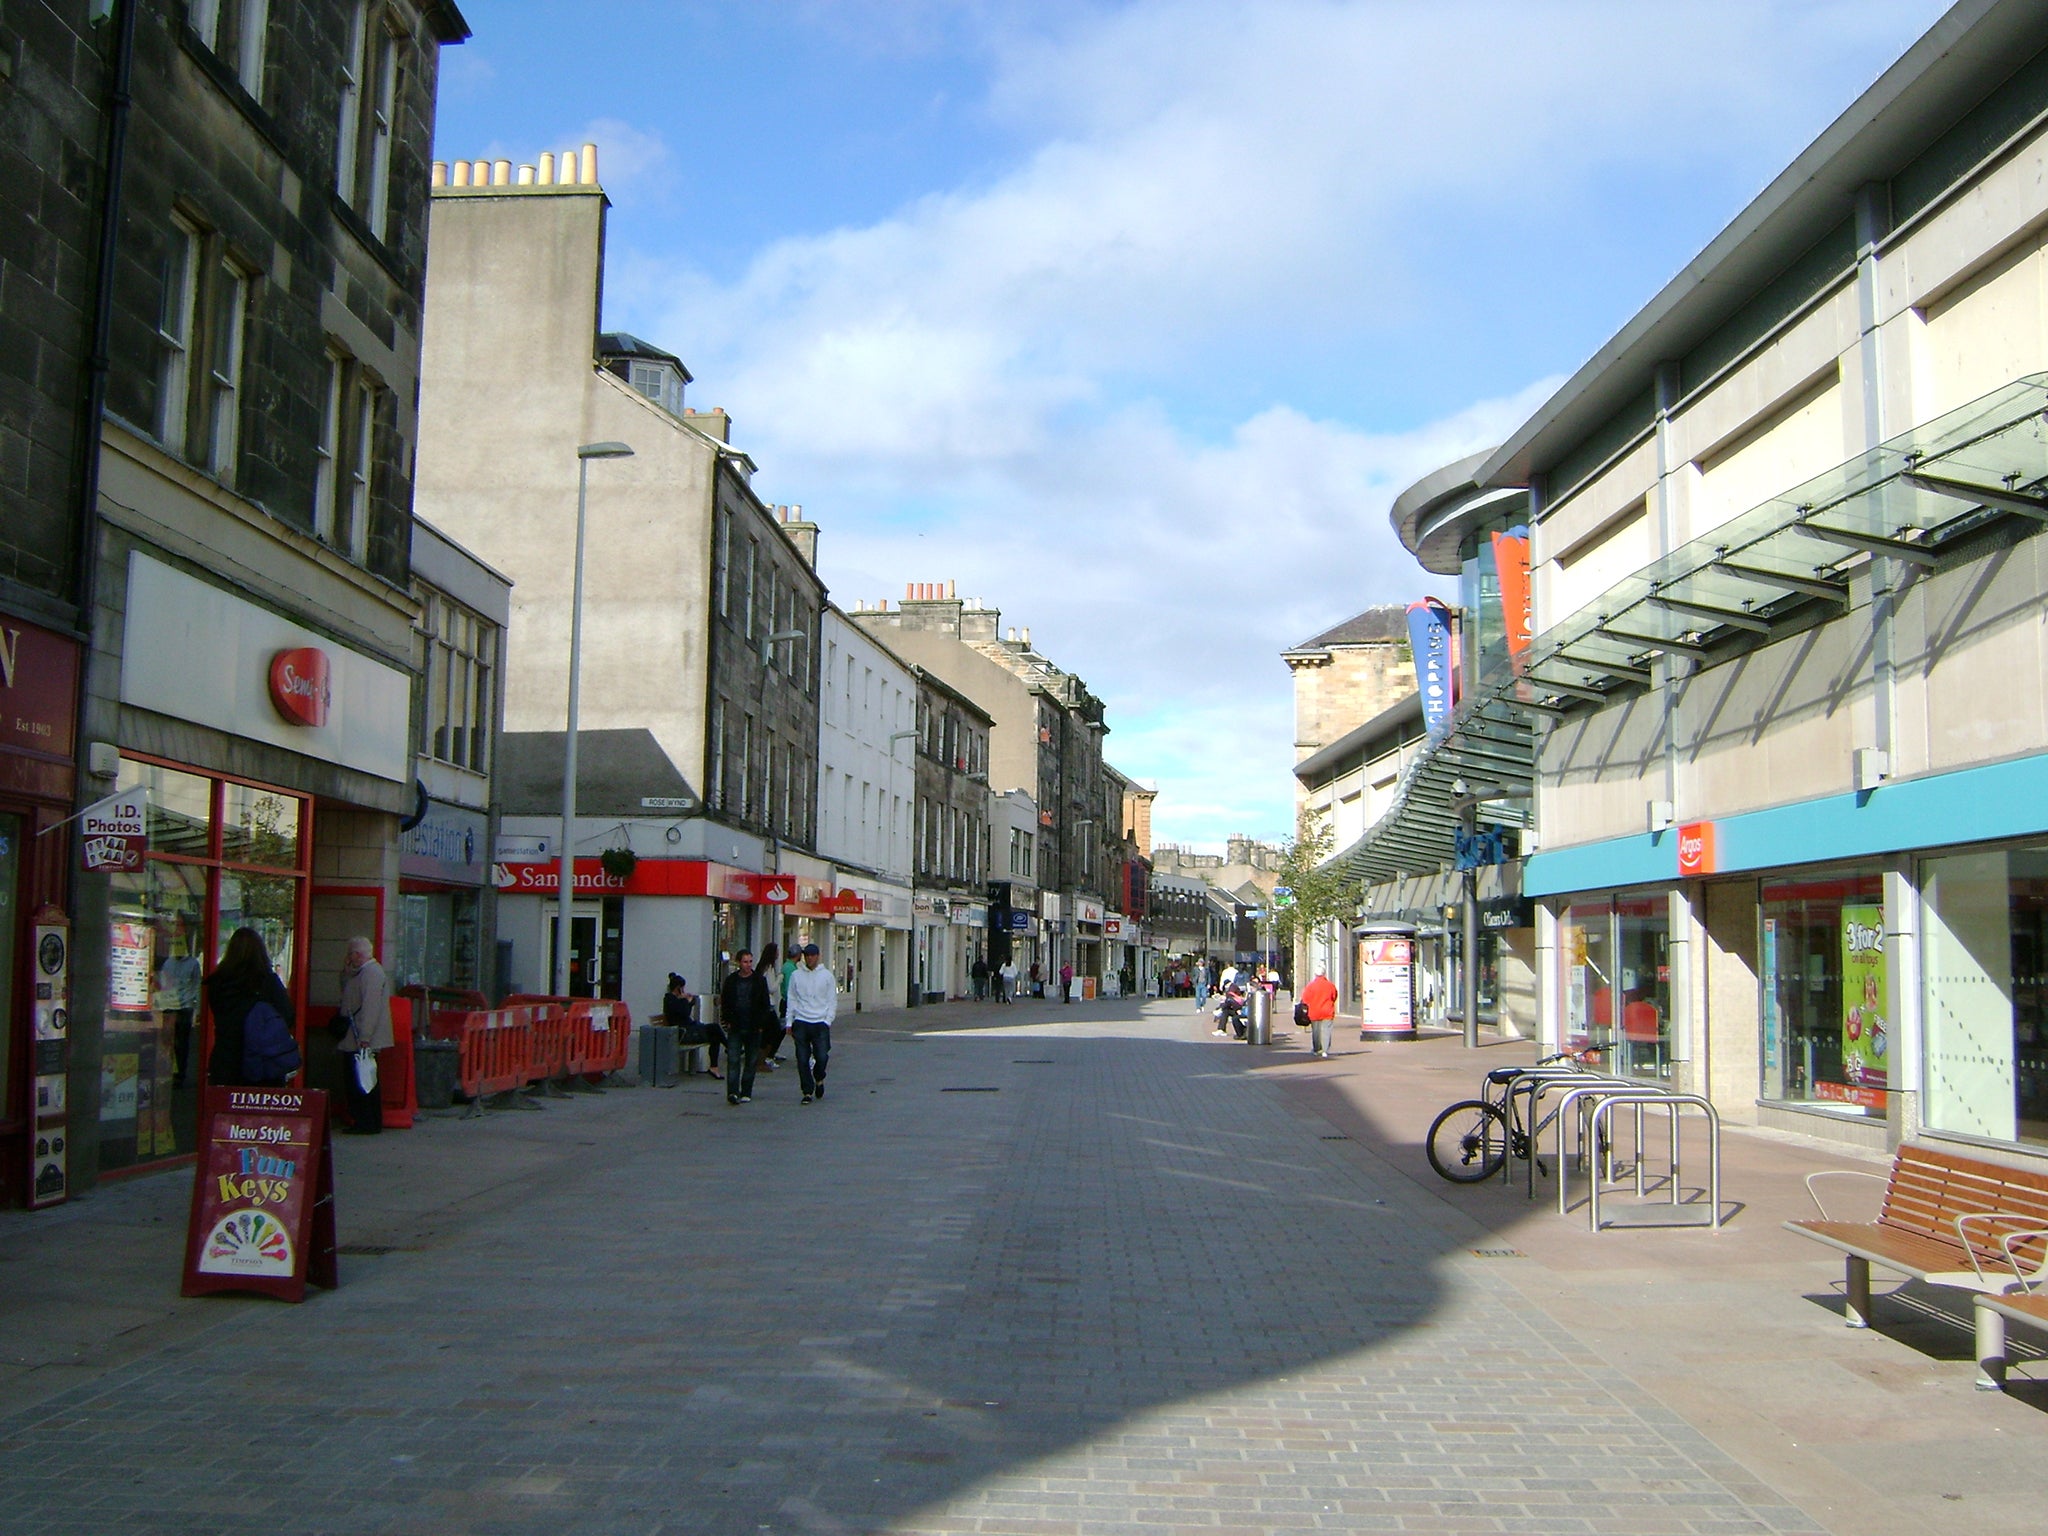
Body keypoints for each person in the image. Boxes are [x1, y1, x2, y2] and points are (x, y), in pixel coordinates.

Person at [203, 927, 296, 1088]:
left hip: (226, 1062)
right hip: (263, 1064)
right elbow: (288, 1016)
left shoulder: (217, 983)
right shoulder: (267, 982)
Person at [335, 937, 393, 1134]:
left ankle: (365, 1121)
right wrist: (347, 971)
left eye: (350, 953)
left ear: (357, 955)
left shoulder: (371, 973)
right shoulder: (361, 973)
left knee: (361, 1081)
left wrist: (365, 1036)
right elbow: (346, 987)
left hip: (361, 1036)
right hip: (357, 1034)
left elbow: (370, 1007)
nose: (348, 957)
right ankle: (366, 1120)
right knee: (363, 1079)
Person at [717, 949, 775, 1105]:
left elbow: (765, 1005)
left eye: (750, 961)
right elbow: (726, 1002)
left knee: (751, 1061)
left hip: (754, 1027)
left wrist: (761, 1025)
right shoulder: (731, 981)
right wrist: (727, 1020)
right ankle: (733, 1092)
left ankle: (746, 1091)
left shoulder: (759, 980)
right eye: (745, 962)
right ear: (738, 962)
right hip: (735, 1026)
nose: (748, 965)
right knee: (734, 1059)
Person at [786, 942, 836, 1104]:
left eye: (812, 955)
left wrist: (827, 1020)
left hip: (820, 1021)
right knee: (802, 1058)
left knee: (822, 1056)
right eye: (806, 956)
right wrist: (789, 1021)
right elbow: (791, 998)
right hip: (801, 1020)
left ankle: (819, 1077)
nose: (809, 958)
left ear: (818, 956)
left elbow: (831, 1000)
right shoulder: (796, 975)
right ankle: (807, 1091)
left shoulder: (827, 976)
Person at [157, 941, 202, 1088]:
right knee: (168, 1041)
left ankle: (179, 1074)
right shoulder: (168, 963)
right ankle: (169, 1072)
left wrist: (196, 1007)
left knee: (182, 1043)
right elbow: (163, 984)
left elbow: (196, 985)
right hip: (170, 1006)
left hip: (185, 1008)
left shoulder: (193, 964)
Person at [664, 972, 720, 1079]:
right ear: (678, 988)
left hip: (688, 1030)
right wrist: (687, 1001)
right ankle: (725, 1054)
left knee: (715, 1031)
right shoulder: (670, 1000)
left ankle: (715, 1065)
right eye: (682, 988)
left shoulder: (675, 1000)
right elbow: (684, 1013)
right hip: (684, 1033)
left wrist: (686, 1001)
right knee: (714, 1031)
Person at [1301, 969, 1339, 1059]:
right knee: (1326, 1031)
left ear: (1315, 974)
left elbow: (1305, 999)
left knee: (1316, 1031)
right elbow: (1334, 996)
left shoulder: (1310, 986)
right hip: (1327, 1011)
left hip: (1314, 1011)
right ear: (1324, 974)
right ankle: (1325, 1050)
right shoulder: (1330, 985)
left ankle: (1317, 1049)